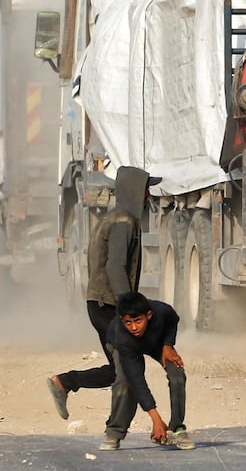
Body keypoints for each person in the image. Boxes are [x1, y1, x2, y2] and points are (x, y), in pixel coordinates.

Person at [47, 166, 161, 421]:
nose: (149, 195)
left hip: (100, 303)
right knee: (129, 367)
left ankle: (64, 384)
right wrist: (128, 307)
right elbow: (115, 266)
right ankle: (115, 428)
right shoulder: (124, 223)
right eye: (145, 189)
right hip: (107, 305)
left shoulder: (113, 218)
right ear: (134, 191)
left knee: (120, 369)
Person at [98, 291, 192, 451]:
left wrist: (167, 345)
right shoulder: (123, 336)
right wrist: (156, 419)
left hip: (154, 342)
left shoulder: (162, 311)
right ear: (122, 320)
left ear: (148, 315)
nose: (134, 327)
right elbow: (137, 379)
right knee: (124, 384)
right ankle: (114, 432)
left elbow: (173, 320)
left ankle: (177, 429)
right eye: (128, 322)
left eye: (137, 321)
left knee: (177, 373)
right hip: (122, 346)